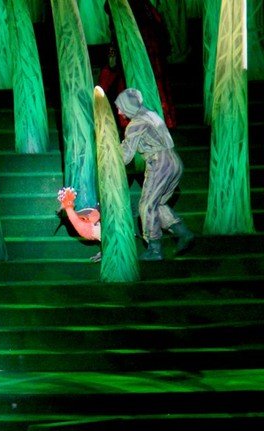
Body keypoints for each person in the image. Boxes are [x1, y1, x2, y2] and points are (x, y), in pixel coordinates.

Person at [115, 88, 194, 261]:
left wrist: (110, 152)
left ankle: (155, 249)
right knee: (158, 204)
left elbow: (125, 157)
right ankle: (183, 233)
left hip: (160, 163)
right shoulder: (151, 114)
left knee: (146, 205)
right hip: (175, 161)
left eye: (121, 107)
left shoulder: (135, 124)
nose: (119, 112)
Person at [98, 0, 176, 129]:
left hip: (139, 44)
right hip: (135, 44)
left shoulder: (140, 9)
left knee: (140, 77)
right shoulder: (139, 8)